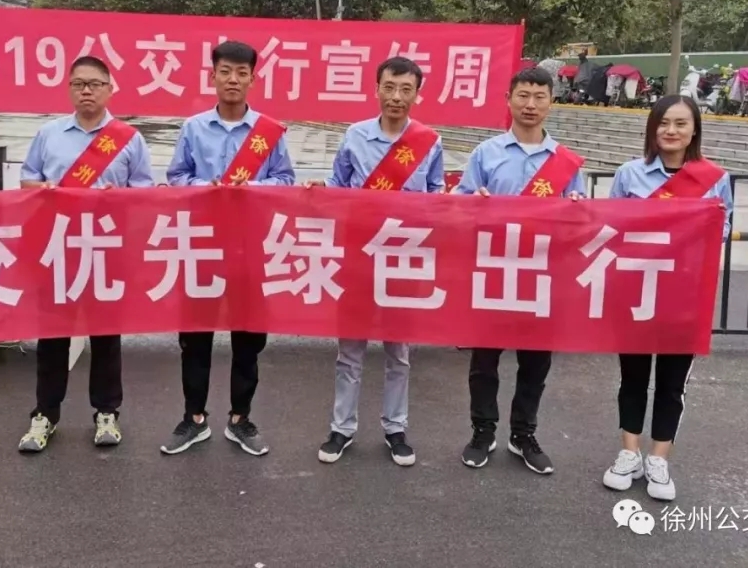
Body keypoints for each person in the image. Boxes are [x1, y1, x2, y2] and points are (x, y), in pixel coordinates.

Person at [161, 39, 296, 457]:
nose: (233, 79)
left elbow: (286, 181)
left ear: (253, 79)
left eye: (241, 73)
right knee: (195, 338)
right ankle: (194, 418)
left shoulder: (268, 132)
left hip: (250, 247)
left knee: (249, 339)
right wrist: (209, 188)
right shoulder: (193, 128)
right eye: (225, 72)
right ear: (213, 76)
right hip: (202, 245)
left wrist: (249, 187)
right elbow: (176, 177)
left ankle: (240, 418)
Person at [307, 57, 444, 467]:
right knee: (350, 350)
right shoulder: (355, 136)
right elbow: (337, 186)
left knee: (398, 352)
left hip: (403, 258)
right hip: (359, 258)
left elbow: (437, 196)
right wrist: (318, 190)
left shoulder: (429, 142)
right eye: (389, 87)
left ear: (417, 94)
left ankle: (395, 428)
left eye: (406, 89)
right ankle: (341, 428)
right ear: (376, 89)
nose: (396, 96)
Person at [16, 55, 154, 454]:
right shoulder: (49, 134)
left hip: (107, 249)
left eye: (95, 84)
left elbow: (145, 192)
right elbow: (27, 179)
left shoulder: (129, 138)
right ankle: (45, 414)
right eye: (79, 84)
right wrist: (46, 190)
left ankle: (106, 412)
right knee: (53, 337)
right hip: (58, 248)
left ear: (110, 89)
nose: (87, 91)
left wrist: (119, 197)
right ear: (69, 89)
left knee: (106, 336)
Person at [453, 66, 586, 475]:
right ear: (508, 100)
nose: (530, 104)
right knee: (484, 361)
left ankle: (523, 433)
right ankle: (482, 431)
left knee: (535, 361)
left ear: (551, 103)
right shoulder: (486, 153)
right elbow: (459, 204)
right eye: (523, 96)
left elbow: (581, 220)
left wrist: (577, 209)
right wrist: (473, 201)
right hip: (494, 270)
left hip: (542, 275)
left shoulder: (565, 162)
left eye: (539, 97)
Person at [602, 94, 732, 501]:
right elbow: (610, 225)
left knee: (672, 383)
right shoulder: (629, 174)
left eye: (680, 123)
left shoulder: (715, 178)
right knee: (633, 377)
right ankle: (629, 453)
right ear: (652, 128)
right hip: (636, 289)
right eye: (663, 123)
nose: (670, 131)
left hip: (685, 293)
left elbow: (722, 229)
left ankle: (659, 458)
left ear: (694, 130)